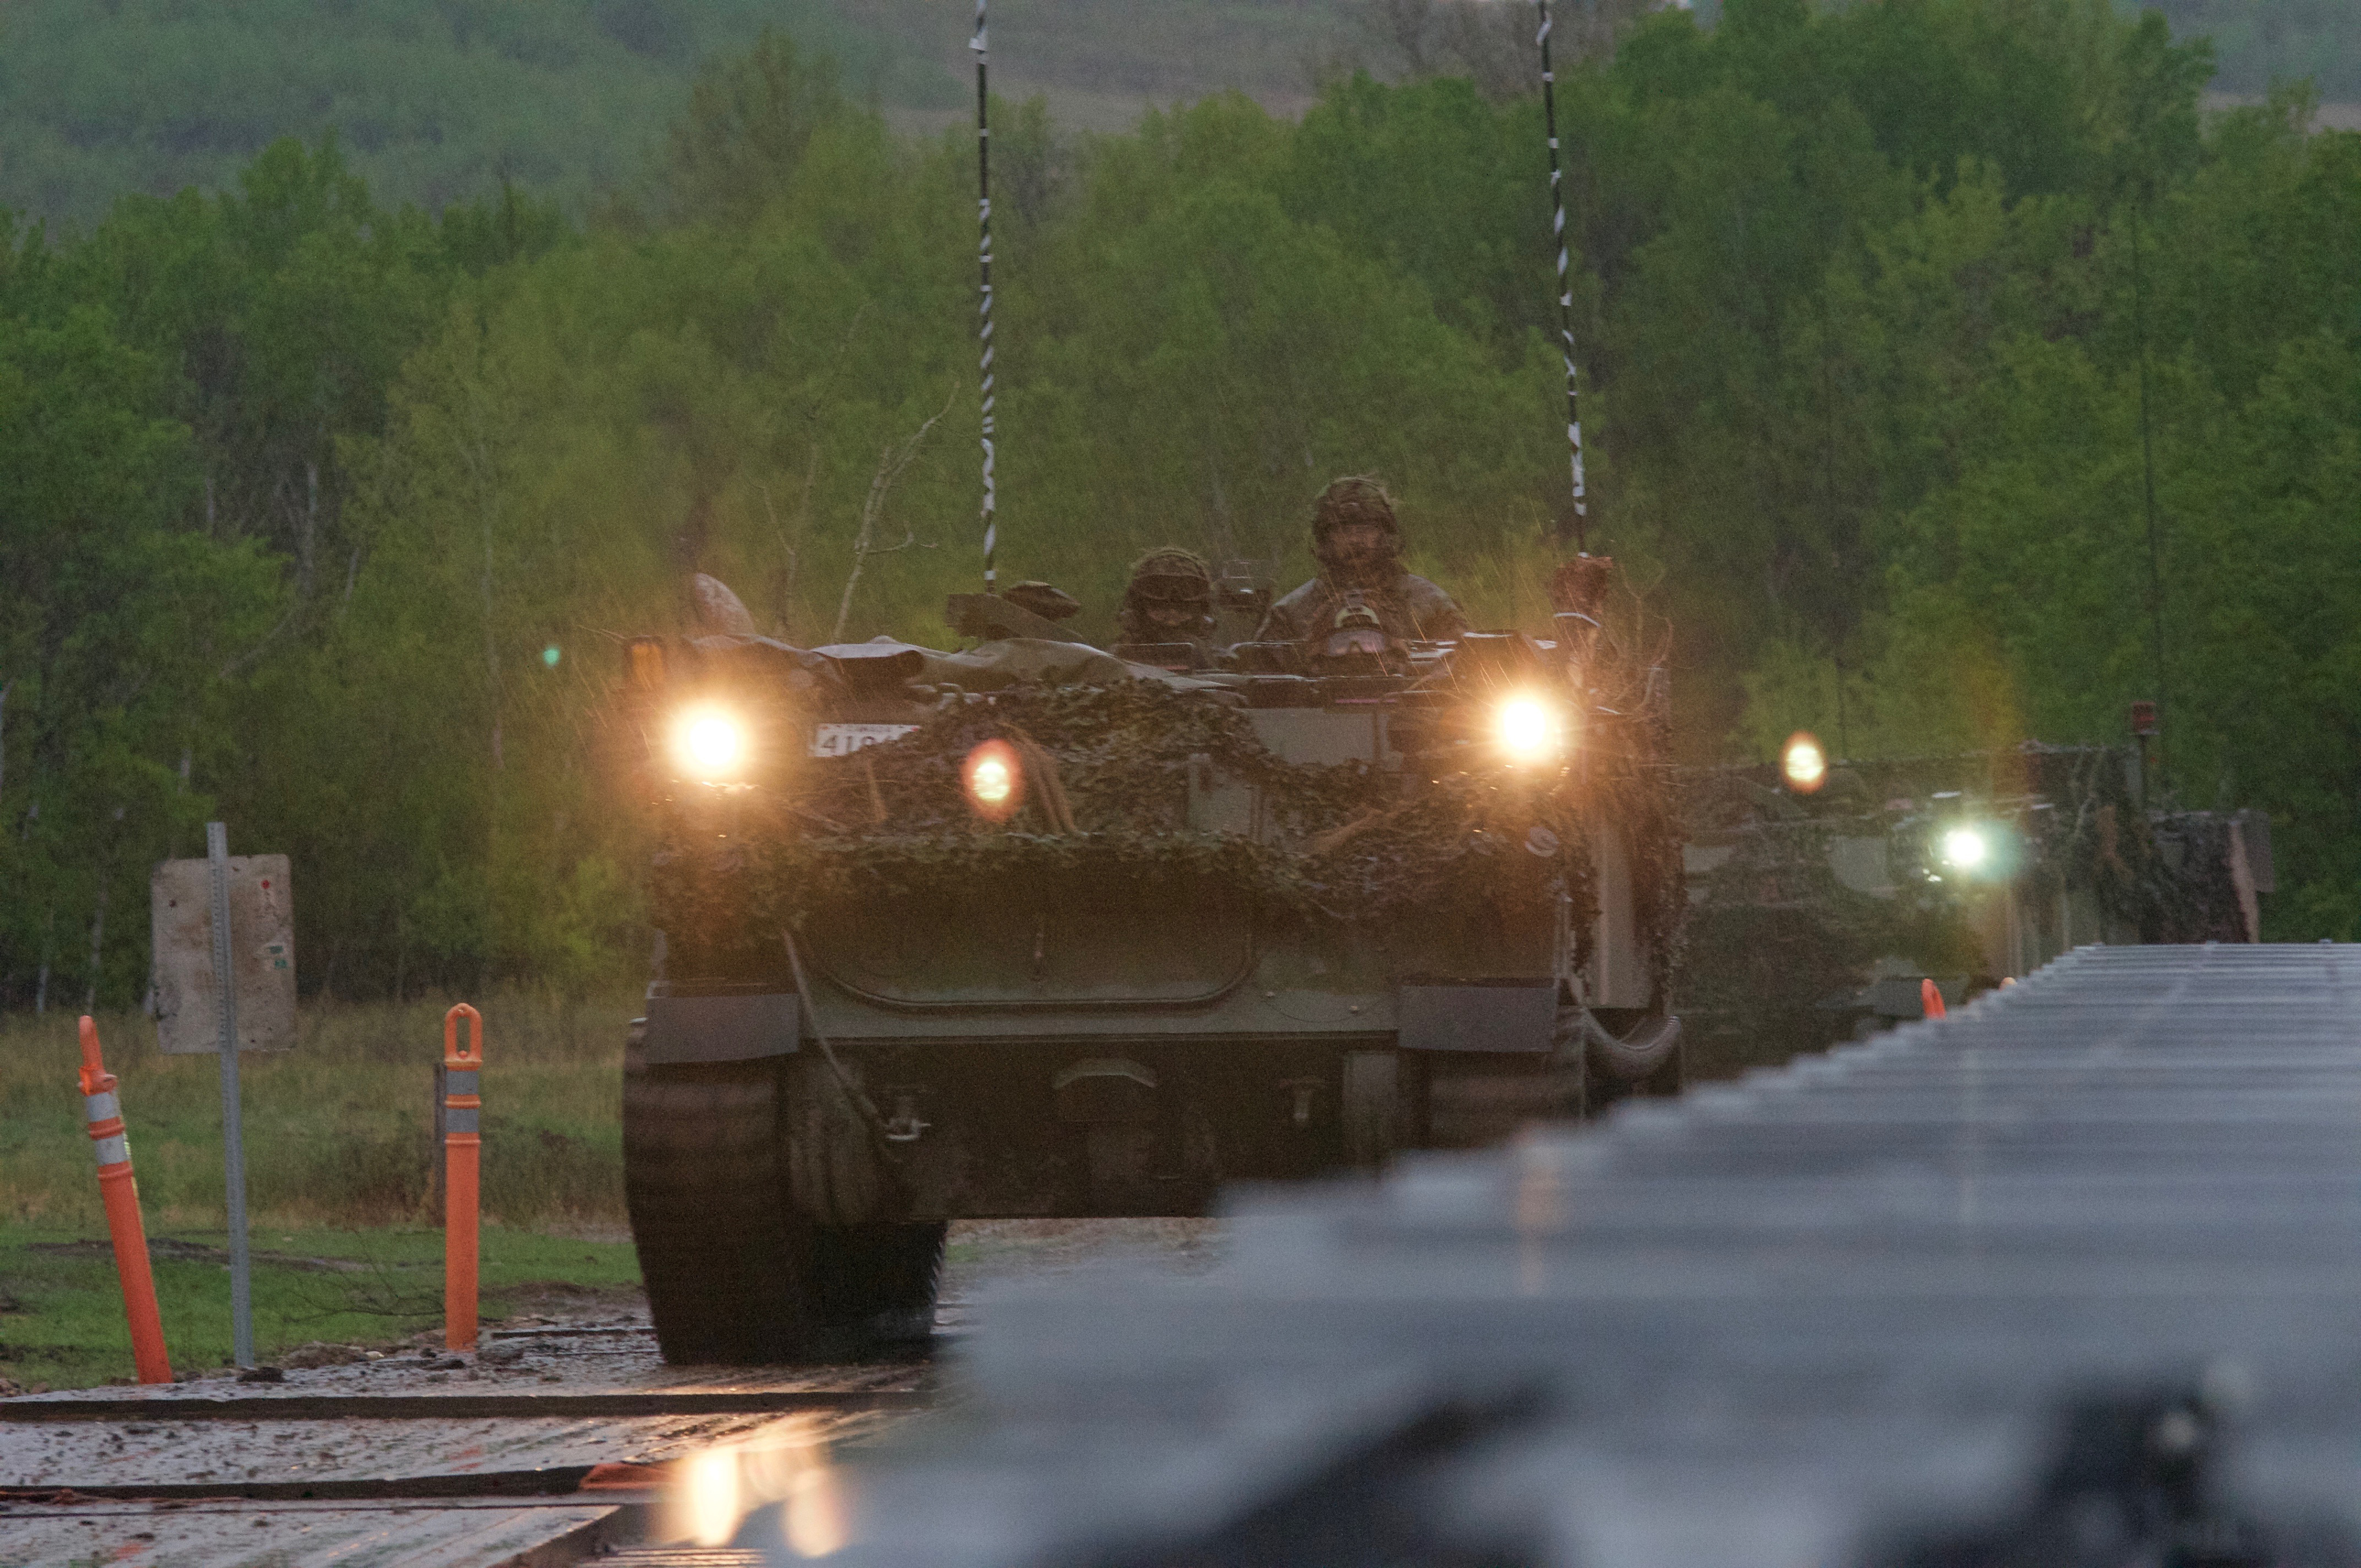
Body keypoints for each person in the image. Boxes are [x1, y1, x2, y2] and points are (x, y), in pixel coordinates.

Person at [1255, 477, 1467, 654]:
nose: (1355, 540)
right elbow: (1261, 673)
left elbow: (1467, 664)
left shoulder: (1429, 603)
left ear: (1384, 535)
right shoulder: (1292, 612)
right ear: (1326, 540)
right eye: (1343, 531)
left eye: (1365, 530)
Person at [1112, 547, 1221, 667]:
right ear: (1139, 609)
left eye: (1183, 609)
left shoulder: (1222, 661)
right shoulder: (1114, 660)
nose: (1172, 614)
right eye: (1159, 607)